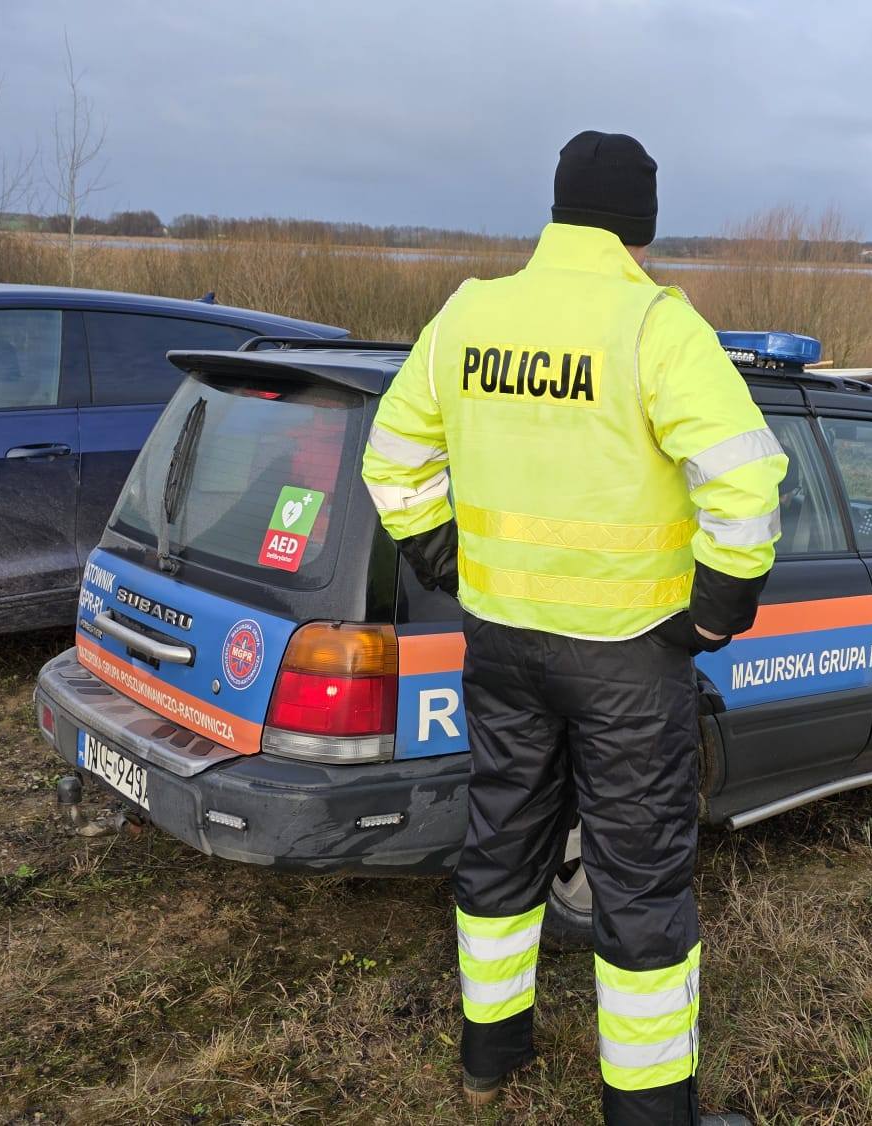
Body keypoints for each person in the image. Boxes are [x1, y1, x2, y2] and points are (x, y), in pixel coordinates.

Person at [361, 130, 783, 1126]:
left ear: (555, 209)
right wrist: (716, 610)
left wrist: (445, 563)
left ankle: (489, 1051)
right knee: (636, 877)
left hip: (501, 641)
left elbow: (391, 458)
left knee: (501, 836)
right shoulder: (654, 325)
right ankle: (649, 1112)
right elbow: (744, 476)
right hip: (630, 657)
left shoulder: (471, 312)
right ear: (639, 224)